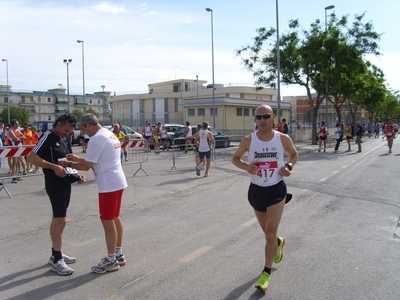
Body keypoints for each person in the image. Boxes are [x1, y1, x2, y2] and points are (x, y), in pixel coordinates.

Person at [232, 105, 298, 292]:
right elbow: (235, 159)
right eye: (259, 117)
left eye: (266, 116)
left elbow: (294, 154)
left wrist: (289, 167)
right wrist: (246, 167)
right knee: (268, 234)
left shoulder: (282, 139)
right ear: (255, 120)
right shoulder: (248, 140)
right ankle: (278, 242)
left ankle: (266, 274)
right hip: (256, 191)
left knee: (269, 233)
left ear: (273, 118)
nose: (262, 120)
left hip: (276, 189)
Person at [58, 113, 128, 274]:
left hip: (107, 184)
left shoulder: (96, 138)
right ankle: (118, 254)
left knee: (107, 221)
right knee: (115, 218)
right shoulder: (109, 134)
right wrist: (77, 158)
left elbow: (87, 166)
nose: (83, 133)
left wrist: (67, 163)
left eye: (83, 129)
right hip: (117, 181)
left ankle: (111, 260)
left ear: (88, 125)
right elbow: (97, 159)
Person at [27, 114, 86, 276]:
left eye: (70, 131)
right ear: (59, 125)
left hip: (65, 183)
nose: (68, 134)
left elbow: (63, 161)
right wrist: (53, 167)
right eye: (66, 130)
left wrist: (75, 175)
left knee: (58, 219)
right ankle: (57, 259)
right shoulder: (47, 137)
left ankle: (56, 254)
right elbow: (31, 157)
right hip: (54, 184)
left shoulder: (64, 139)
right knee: (61, 220)